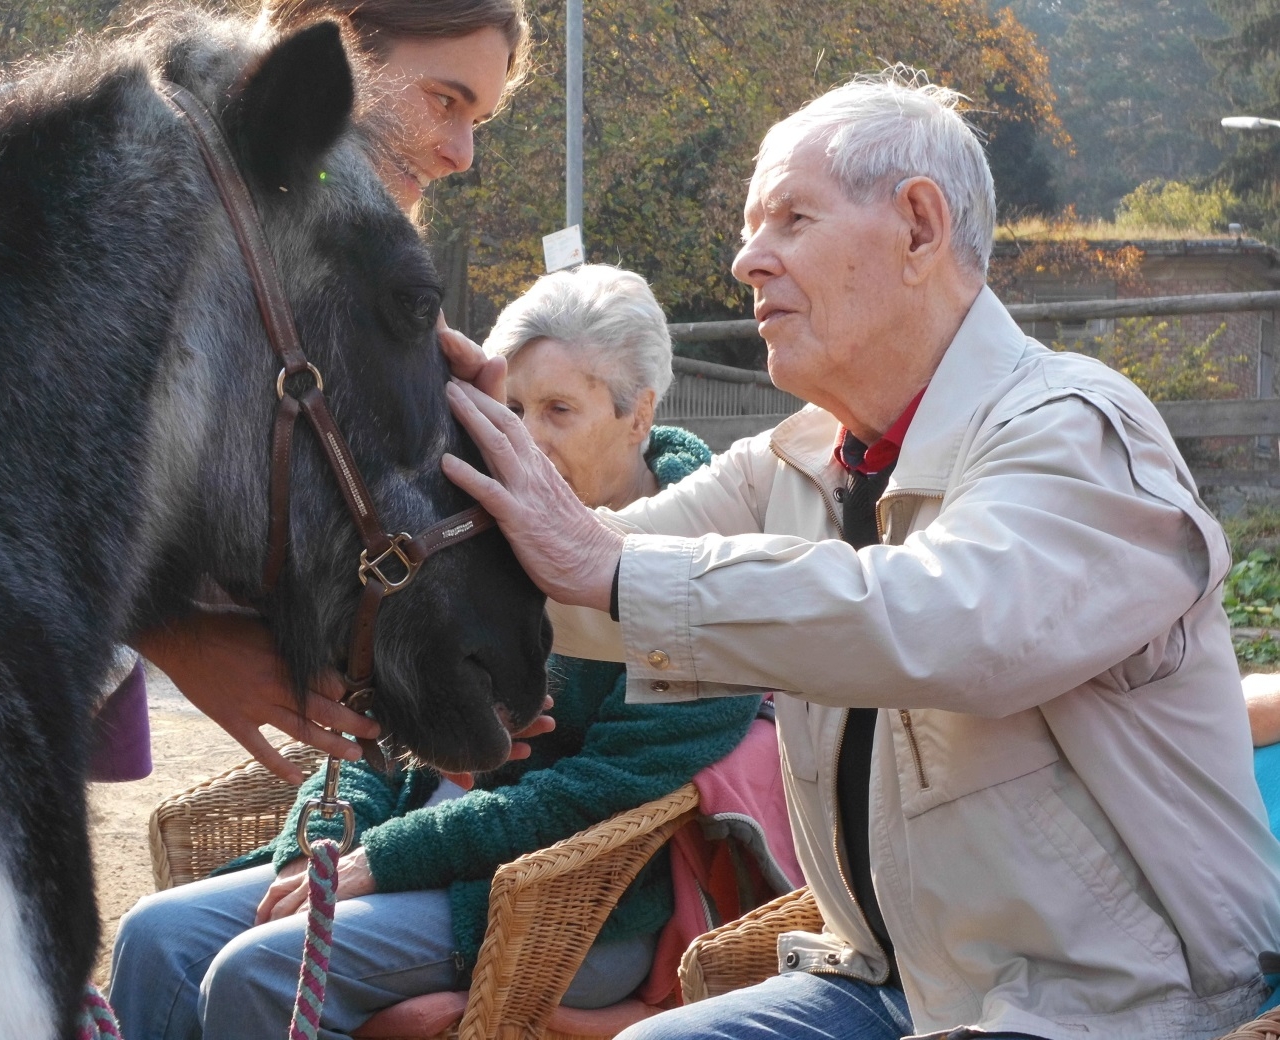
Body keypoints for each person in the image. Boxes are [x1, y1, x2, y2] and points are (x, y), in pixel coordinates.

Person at [438, 69, 1280, 1040]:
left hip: (1114, 999)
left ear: (920, 227)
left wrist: (611, 571)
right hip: (896, 980)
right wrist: (413, 501)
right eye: (755, 228)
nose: (748, 259)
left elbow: (950, 622)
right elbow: (587, 567)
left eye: (792, 220)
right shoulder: (795, 456)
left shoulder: (1077, 431)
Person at [109, 265, 766, 1040]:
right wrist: (316, 850)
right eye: (512, 408)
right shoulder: (473, 541)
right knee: (155, 935)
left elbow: (599, 797)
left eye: (559, 409)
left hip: (562, 907)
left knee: (263, 972)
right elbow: (387, 725)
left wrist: (384, 860)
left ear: (638, 414)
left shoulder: (697, 569)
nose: (526, 436)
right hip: (418, 854)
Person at [127, 0, 533, 783]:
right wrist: (175, 640)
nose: (463, 152)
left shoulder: (309, 272)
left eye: (477, 117)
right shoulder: (164, 226)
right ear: (331, 66)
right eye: (446, 101)